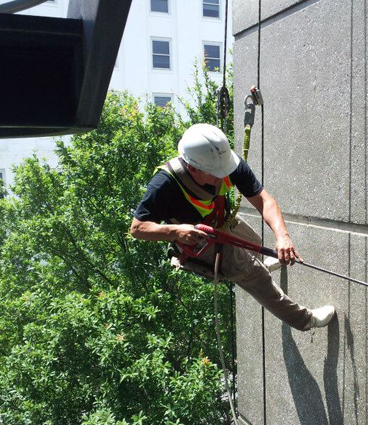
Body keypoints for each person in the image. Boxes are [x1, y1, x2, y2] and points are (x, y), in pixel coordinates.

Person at [130, 123, 335, 331]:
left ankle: (259, 265)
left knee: (255, 243)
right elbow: (137, 228)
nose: (222, 177)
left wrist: (282, 236)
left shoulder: (226, 163)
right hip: (200, 242)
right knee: (254, 275)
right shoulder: (164, 185)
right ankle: (305, 320)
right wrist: (176, 231)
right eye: (214, 174)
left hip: (222, 221)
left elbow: (264, 201)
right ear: (193, 168)